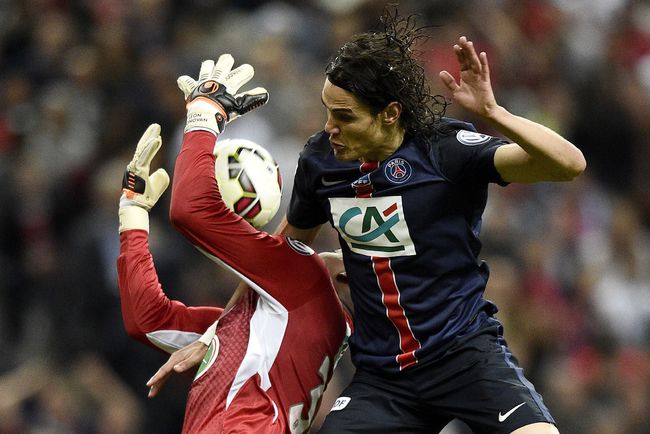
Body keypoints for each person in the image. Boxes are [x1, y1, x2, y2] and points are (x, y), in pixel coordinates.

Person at [278, 10, 586, 434]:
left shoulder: (445, 151)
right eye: (327, 112)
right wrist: (220, 331)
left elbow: (569, 164)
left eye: (345, 117)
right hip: (385, 379)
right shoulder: (320, 163)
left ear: (389, 113)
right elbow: (281, 257)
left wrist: (495, 113)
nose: (330, 128)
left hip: (464, 356)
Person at [116, 116, 352, 431]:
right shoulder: (269, 331)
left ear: (345, 279)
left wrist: (204, 115)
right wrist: (132, 215)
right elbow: (150, 322)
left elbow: (190, 209)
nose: (335, 249)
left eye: (344, 251)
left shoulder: (308, 282)